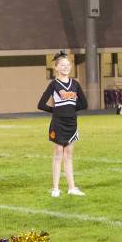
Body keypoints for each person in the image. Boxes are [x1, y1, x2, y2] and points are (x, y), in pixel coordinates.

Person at [37, 53, 89, 198]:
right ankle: (55, 188)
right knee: (58, 154)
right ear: (56, 67)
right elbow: (41, 104)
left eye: (68, 65)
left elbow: (84, 104)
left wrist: (71, 109)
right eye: (63, 65)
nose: (66, 67)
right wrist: (56, 111)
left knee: (69, 155)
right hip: (58, 123)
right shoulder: (53, 84)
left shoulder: (75, 84)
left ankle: (72, 187)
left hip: (72, 123)